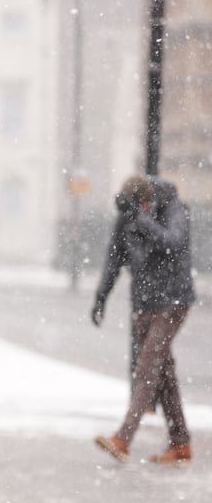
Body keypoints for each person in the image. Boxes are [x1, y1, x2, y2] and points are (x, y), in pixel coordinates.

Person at [92, 175, 196, 465]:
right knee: (164, 375)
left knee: (148, 365)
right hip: (144, 304)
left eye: (145, 205)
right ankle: (181, 443)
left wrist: (139, 218)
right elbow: (114, 258)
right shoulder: (128, 216)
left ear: (150, 200)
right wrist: (101, 296)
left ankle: (123, 438)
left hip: (173, 301)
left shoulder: (176, 209)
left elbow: (171, 243)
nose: (144, 209)